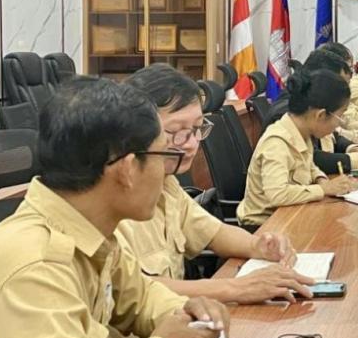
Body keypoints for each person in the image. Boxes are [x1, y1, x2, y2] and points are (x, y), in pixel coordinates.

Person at [0, 77, 230, 338]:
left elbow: (140, 298)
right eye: (163, 155)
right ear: (127, 169)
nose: (168, 170)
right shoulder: (33, 266)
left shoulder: (90, 228)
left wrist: (186, 314)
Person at [117, 64, 314, 304]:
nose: (192, 143)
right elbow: (133, 290)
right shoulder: (113, 199)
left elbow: (214, 233)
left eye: (197, 128)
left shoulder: (167, 184)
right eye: (178, 131)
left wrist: (258, 246)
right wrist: (236, 287)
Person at [239, 69, 358, 227]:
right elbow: (277, 194)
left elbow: (309, 166)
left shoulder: (302, 131)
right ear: (320, 115)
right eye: (340, 116)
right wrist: (324, 189)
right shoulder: (277, 142)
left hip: (290, 216)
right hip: (264, 227)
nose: (340, 123)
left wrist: (321, 179)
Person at [302, 49, 358, 172]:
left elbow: (332, 136)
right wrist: (355, 160)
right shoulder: (289, 110)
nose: (345, 90)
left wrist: (353, 148)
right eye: (341, 84)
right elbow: (310, 157)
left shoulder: (313, 101)